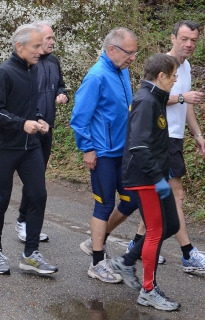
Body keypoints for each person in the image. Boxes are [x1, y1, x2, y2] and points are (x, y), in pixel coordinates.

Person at [125, 20, 205, 276]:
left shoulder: (187, 66)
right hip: (160, 139)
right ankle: (187, 253)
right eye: (184, 39)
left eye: (193, 40)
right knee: (175, 195)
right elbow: (151, 96)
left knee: (161, 201)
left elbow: (187, 106)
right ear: (173, 38)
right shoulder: (162, 65)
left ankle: (136, 247)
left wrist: (197, 134)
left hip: (175, 137)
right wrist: (182, 97)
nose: (189, 44)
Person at [109, 54, 181, 311]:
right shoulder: (145, 101)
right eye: (173, 74)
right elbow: (138, 145)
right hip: (145, 177)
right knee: (155, 231)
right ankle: (148, 290)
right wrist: (157, 177)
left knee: (170, 224)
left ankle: (127, 260)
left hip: (156, 174)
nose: (176, 79)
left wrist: (165, 169)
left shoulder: (157, 98)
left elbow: (153, 141)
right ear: (161, 76)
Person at [0, 24, 58, 276]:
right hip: (4, 146)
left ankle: (30, 253)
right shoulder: (3, 73)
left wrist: (38, 119)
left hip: (30, 146)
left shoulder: (34, 70)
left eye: (41, 45)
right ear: (20, 47)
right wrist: (21, 123)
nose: (41, 51)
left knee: (38, 195)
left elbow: (30, 106)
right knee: (1, 198)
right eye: (36, 46)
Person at [71, 27, 139, 283]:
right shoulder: (96, 76)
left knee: (131, 200)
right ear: (112, 49)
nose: (132, 57)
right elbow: (79, 119)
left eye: (134, 52)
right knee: (104, 204)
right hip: (102, 153)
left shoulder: (122, 70)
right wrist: (87, 148)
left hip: (123, 152)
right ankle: (97, 262)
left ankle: (95, 240)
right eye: (129, 52)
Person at [15, 21, 67, 243]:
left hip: (48, 128)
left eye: (53, 38)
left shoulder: (54, 61)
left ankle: (29, 223)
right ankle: (22, 222)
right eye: (48, 39)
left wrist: (62, 95)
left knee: (39, 178)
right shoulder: (28, 64)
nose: (52, 42)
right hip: (29, 129)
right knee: (33, 178)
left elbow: (61, 85)